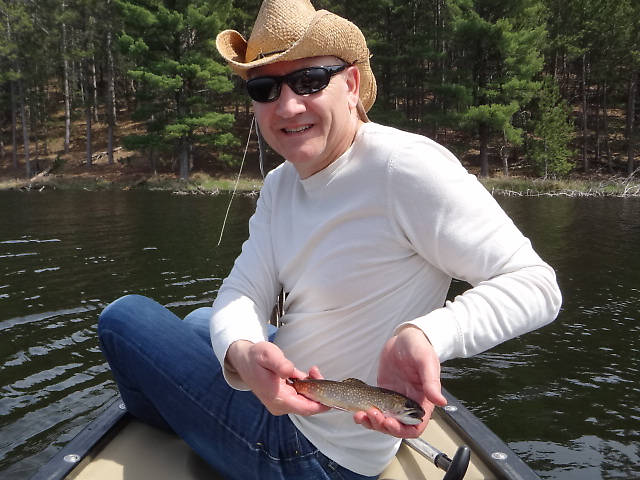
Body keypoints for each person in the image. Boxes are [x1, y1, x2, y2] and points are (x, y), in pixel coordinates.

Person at [98, 0, 562, 478]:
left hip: (310, 453)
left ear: (352, 85)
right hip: (307, 386)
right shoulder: (281, 184)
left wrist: (425, 333)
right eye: (264, 87)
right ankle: (193, 407)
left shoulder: (405, 169)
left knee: (122, 318)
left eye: (310, 80)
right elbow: (241, 293)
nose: (288, 105)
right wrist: (241, 351)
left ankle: (168, 415)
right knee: (205, 322)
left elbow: (536, 285)